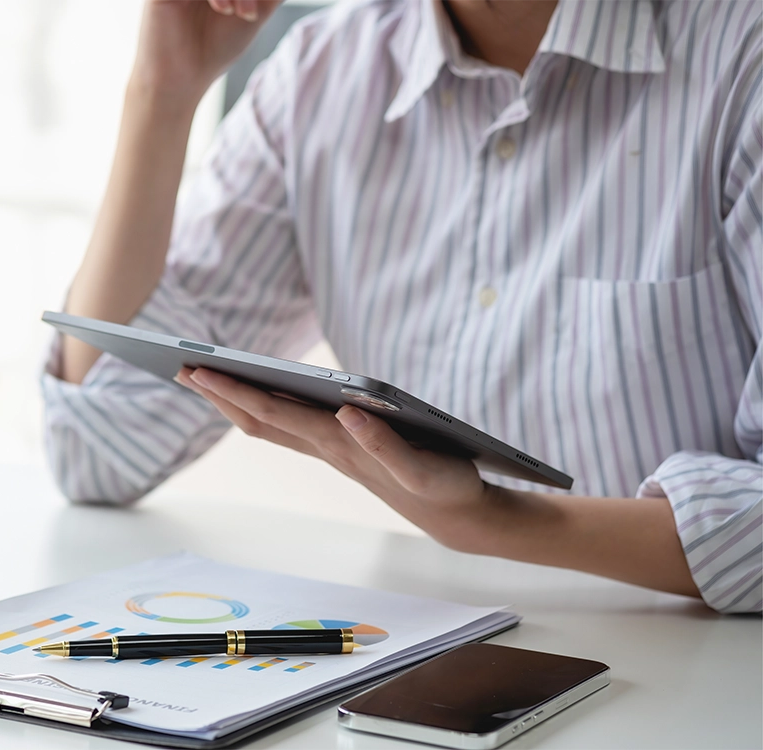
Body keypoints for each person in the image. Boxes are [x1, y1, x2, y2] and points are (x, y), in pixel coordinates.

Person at [41, 0, 762, 614]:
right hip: (456, 660)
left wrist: (501, 523)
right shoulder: (320, 77)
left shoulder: (741, 60)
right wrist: (162, 92)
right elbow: (101, 446)